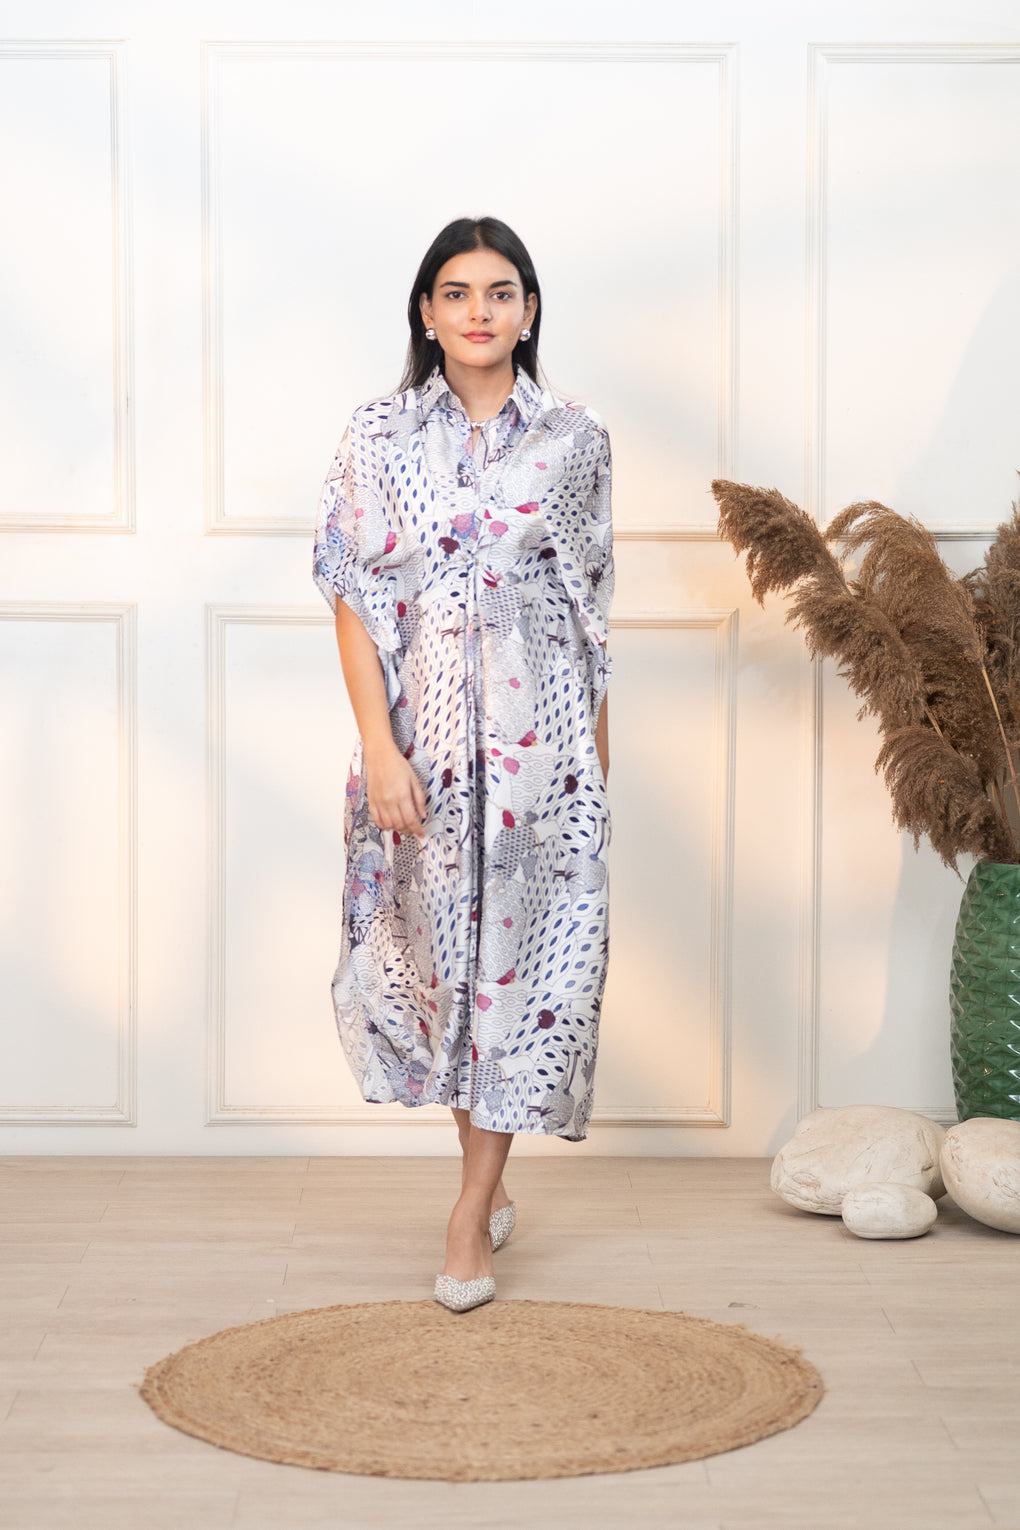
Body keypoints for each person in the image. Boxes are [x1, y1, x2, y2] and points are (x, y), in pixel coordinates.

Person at [312, 215, 615, 1312]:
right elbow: (354, 596)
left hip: (547, 759)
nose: (479, 311)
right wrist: (378, 747)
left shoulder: (577, 439)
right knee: (445, 976)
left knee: (527, 982)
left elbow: (590, 618)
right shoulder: (378, 435)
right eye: (456, 292)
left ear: (529, 312)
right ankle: (483, 1180)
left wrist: (598, 775)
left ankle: (468, 1211)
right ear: (427, 313)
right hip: (423, 755)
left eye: (500, 292)